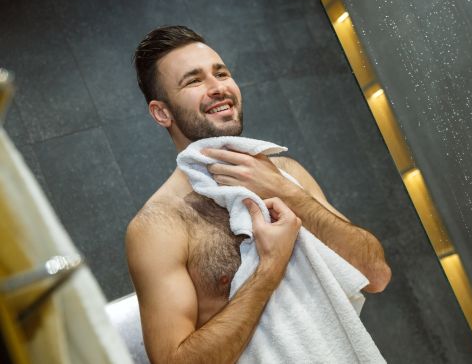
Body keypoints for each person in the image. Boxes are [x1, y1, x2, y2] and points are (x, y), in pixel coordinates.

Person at [126, 25, 392, 364]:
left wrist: (284, 191)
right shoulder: (158, 226)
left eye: (221, 73)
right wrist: (269, 269)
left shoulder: (289, 174)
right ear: (162, 112)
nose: (217, 87)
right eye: (194, 81)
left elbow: (376, 275)